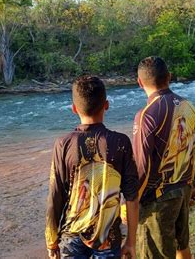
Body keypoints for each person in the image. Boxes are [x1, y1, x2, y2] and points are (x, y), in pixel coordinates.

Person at [45, 76, 140, 259]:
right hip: (108, 236)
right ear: (106, 105)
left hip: (71, 235)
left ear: (74, 109)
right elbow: (131, 196)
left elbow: (55, 196)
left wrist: (52, 240)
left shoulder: (63, 144)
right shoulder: (120, 142)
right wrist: (131, 242)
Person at [133, 56, 195, 259]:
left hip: (158, 196)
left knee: (156, 253)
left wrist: (131, 201)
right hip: (184, 187)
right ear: (169, 77)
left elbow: (142, 165)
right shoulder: (190, 107)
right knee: (182, 245)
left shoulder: (146, 114)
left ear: (139, 82)